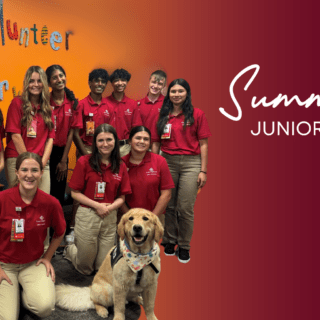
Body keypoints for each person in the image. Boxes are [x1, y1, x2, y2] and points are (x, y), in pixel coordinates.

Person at [0, 152, 66, 319]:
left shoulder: (51, 203)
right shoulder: (2, 199)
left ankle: (22, 295)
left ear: (41, 173)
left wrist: (48, 257)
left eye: (35, 170)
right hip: (4, 265)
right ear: (16, 172)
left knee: (44, 308)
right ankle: (13, 294)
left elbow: (60, 232)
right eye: (24, 170)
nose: (29, 175)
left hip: (33, 263)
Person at [152, 79, 211, 263]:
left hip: (191, 164)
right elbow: (155, 141)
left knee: (184, 208)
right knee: (168, 205)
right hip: (167, 161)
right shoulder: (163, 115)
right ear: (168, 94)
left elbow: (203, 144)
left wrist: (203, 170)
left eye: (180, 91)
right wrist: (154, 164)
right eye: (173, 91)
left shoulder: (197, 114)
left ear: (187, 93)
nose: (176, 94)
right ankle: (169, 240)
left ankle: (184, 245)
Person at [64, 124, 131, 275]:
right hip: (88, 214)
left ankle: (86, 253)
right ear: (95, 143)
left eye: (109, 139)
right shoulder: (84, 162)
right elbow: (75, 193)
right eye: (100, 140)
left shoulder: (120, 165)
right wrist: (97, 206)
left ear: (115, 141)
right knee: (85, 269)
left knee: (101, 268)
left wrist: (110, 207)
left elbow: (122, 197)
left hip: (109, 214)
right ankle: (70, 249)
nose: (105, 144)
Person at [5, 66, 55, 193]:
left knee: (43, 201)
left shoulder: (48, 108)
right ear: (26, 83)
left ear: (44, 83)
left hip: (41, 161)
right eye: (32, 81)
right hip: (18, 158)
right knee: (19, 202)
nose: (36, 85)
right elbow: (15, 135)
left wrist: (41, 164)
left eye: (39, 81)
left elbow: (50, 139)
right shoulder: (17, 103)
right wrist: (28, 163)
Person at [121, 126, 174, 226]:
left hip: (154, 217)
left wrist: (152, 218)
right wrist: (129, 216)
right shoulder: (121, 163)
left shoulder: (159, 161)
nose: (142, 141)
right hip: (127, 218)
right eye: (138, 138)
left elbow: (166, 194)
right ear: (129, 141)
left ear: (149, 143)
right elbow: (118, 195)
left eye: (146, 139)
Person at [46, 64, 78, 206]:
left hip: (61, 153)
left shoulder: (73, 102)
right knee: (46, 190)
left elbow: (71, 132)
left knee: (58, 192)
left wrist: (64, 160)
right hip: (44, 151)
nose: (59, 79)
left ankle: (57, 228)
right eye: (54, 77)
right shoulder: (44, 101)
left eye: (61, 76)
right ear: (48, 83)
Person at [72, 68, 111, 157]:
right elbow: (75, 134)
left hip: (104, 149)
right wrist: (85, 155)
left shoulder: (109, 106)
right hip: (86, 149)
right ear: (90, 83)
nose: (100, 84)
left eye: (103, 81)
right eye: (96, 81)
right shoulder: (81, 105)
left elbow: (111, 132)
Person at [107, 68, 142, 157]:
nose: (120, 83)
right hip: (106, 146)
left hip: (125, 148)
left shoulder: (132, 104)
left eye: (123, 80)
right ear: (112, 83)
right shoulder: (104, 102)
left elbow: (136, 128)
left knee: (125, 171)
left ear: (127, 82)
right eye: (116, 81)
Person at [137, 70, 167, 143]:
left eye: (160, 84)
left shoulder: (168, 103)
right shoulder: (138, 104)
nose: (156, 86)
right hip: (142, 143)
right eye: (153, 82)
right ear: (149, 82)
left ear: (164, 86)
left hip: (162, 146)